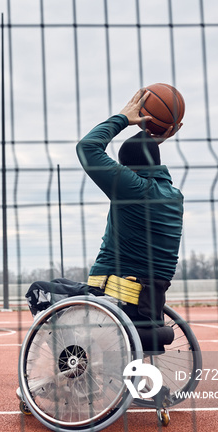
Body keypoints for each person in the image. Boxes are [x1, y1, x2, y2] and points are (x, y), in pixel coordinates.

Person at [75, 88, 183, 350]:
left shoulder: (133, 188)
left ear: (129, 170)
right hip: (149, 308)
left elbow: (87, 147)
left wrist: (122, 118)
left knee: (42, 291)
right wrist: (155, 139)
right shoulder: (174, 196)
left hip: (115, 297)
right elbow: (144, 159)